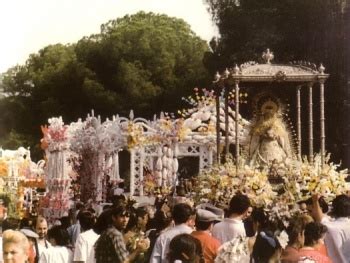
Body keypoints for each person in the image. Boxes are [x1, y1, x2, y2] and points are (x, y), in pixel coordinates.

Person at [248, 97, 293, 167]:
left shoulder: (279, 125)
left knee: (278, 166)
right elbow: (255, 140)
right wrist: (262, 135)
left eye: (271, 109)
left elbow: (284, 139)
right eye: (267, 109)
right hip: (263, 150)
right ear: (263, 111)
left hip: (276, 151)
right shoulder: (259, 124)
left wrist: (276, 136)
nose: (269, 112)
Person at [311, 194, 350, 263]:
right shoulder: (331, 226)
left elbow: (319, 218)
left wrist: (315, 201)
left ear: (333, 209)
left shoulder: (331, 227)